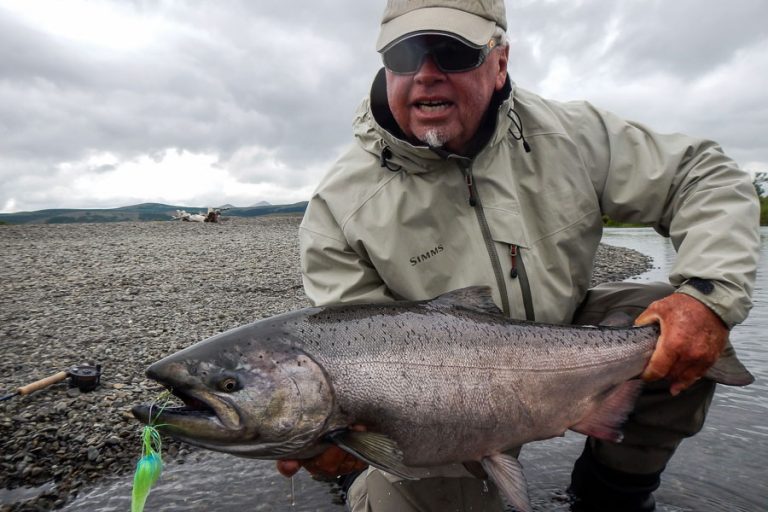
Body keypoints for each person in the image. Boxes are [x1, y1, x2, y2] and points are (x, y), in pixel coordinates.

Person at [280, 1, 761, 511]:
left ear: (500, 61)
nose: (425, 75)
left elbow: (703, 175)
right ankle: (360, 484)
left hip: (564, 341)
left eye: (452, 53)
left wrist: (708, 297)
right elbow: (349, 358)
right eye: (404, 55)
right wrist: (347, 440)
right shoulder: (339, 208)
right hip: (434, 397)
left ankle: (609, 495)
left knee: (672, 323)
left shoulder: (569, 135)